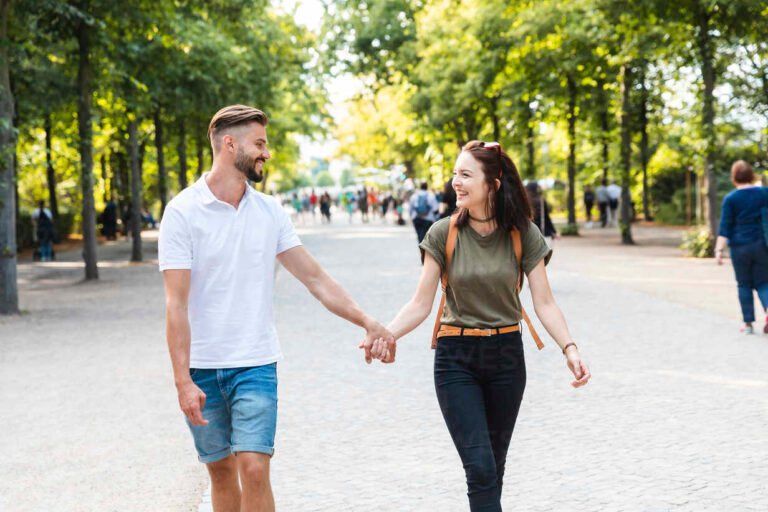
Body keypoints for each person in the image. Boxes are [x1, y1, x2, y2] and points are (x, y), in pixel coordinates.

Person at [158, 105, 395, 512]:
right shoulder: (181, 212)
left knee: (254, 468)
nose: (266, 153)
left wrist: (368, 321)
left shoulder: (270, 212)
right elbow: (175, 304)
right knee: (220, 471)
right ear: (229, 144)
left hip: (255, 362)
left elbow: (315, 279)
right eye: (260, 144)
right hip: (202, 368)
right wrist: (182, 381)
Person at [364, 140, 590, 512]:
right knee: (480, 468)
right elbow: (421, 302)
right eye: (455, 173)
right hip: (457, 360)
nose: (456, 182)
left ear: (493, 184)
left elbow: (544, 301)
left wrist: (570, 348)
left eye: (466, 175)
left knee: (493, 469)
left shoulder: (523, 234)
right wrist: (385, 333)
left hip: (506, 359)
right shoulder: (442, 233)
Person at [715, 160, 768, 334]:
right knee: (763, 282)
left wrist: (718, 250)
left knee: (743, 284)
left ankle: (748, 323)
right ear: (751, 175)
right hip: (761, 245)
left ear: (734, 177)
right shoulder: (763, 193)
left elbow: (725, 227)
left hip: (739, 247)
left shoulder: (731, 199)